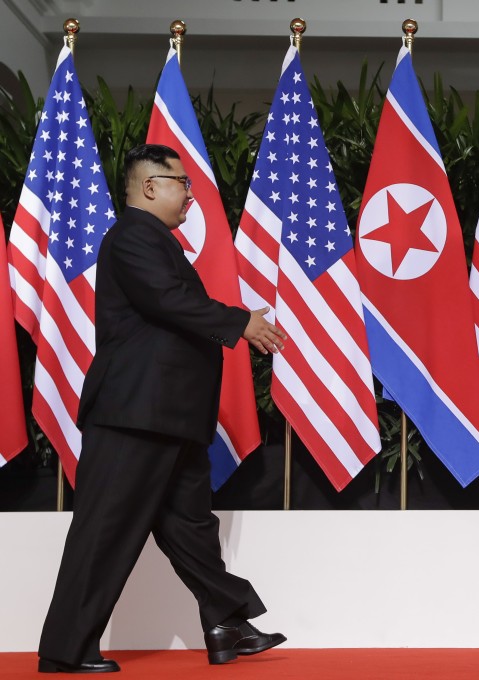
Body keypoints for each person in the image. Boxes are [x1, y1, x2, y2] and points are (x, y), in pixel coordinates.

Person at [38, 144, 288, 673]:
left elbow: (170, 307)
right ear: (150, 186)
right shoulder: (132, 235)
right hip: (135, 414)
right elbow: (166, 299)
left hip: (170, 415)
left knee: (190, 526)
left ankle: (226, 624)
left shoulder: (154, 240)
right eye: (183, 183)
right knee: (105, 527)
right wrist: (239, 321)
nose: (191, 195)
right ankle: (66, 649)